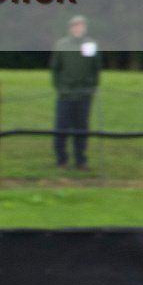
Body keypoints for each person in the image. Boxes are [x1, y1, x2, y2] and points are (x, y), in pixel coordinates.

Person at [49, 15, 101, 170]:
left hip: (84, 95)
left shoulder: (90, 45)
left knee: (82, 128)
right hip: (65, 95)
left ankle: (81, 160)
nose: (78, 29)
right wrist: (60, 88)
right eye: (75, 26)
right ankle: (61, 160)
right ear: (70, 28)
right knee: (61, 128)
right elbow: (55, 68)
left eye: (81, 26)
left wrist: (92, 87)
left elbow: (95, 68)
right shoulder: (62, 45)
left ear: (85, 28)